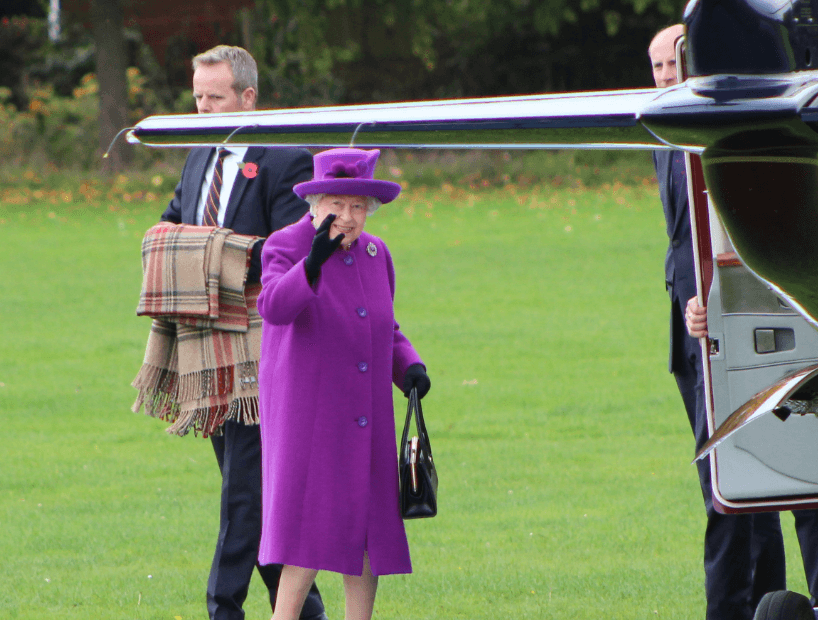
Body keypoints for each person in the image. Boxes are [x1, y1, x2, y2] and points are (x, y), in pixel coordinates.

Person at [159, 45, 328, 620]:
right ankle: (309, 613)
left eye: (217, 98)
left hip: (265, 351)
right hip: (207, 351)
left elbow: (288, 253)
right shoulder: (198, 155)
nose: (204, 109)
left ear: (248, 97)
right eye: (198, 97)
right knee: (252, 499)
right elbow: (175, 219)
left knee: (243, 495)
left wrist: (204, 255)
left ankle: (221, 609)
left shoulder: (286, 159)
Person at [255, 147, 432, 620]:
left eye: (358, 206)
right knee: (308, 540)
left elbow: (383, 325)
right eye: (336, 204)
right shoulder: (286, 244)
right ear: (315, 205)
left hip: (366, 417)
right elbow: (273, 307)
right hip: (310, 418)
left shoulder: (376, 254)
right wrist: (311, 264)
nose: (348, 217)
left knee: (368, 536)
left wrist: (409, 366)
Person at [651, 25, 790, 620]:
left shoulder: (741, 134)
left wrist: (720, 300)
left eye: (673, 63)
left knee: (779, 480)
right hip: (690, 333)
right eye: (655, 66)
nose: (664, 77)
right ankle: (751, 606)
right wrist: (688, 307)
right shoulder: (660, 137)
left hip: (749, 324)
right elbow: (682, 242)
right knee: (725, 483)